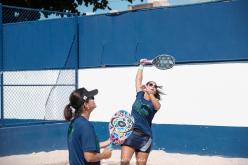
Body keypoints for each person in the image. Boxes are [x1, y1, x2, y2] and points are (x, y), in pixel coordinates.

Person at [121, 59, 164, 165]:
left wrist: (151, 94)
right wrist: (141, 65)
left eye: (154, 86)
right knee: (124, 162)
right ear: (146, 86)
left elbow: (157, 107)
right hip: (131, 133)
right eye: (150, 84)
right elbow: (138, 80)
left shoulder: (155, 102)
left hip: (145, 137)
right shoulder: (139, 94)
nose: (152, 86)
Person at [64, 87, 112, 165]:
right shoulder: (85, 125)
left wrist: (110, 141)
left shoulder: (75, 122)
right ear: (86, 105)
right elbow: (89, 157)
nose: (94, 99)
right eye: (91, 98)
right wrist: (104, 155)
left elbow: (87, 146)